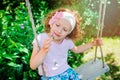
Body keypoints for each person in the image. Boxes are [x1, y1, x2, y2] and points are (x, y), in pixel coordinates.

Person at [30, 8, 103, 80]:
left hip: (67, 73)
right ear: (52, 23)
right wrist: (43, 51)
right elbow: (33, 65)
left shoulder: (67, 41)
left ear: (68, 33)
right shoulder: (40, 39)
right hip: (50, 77)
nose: (59, 30)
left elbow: (76, 49)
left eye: (65, 29)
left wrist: (92, 44)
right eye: (57, 25)